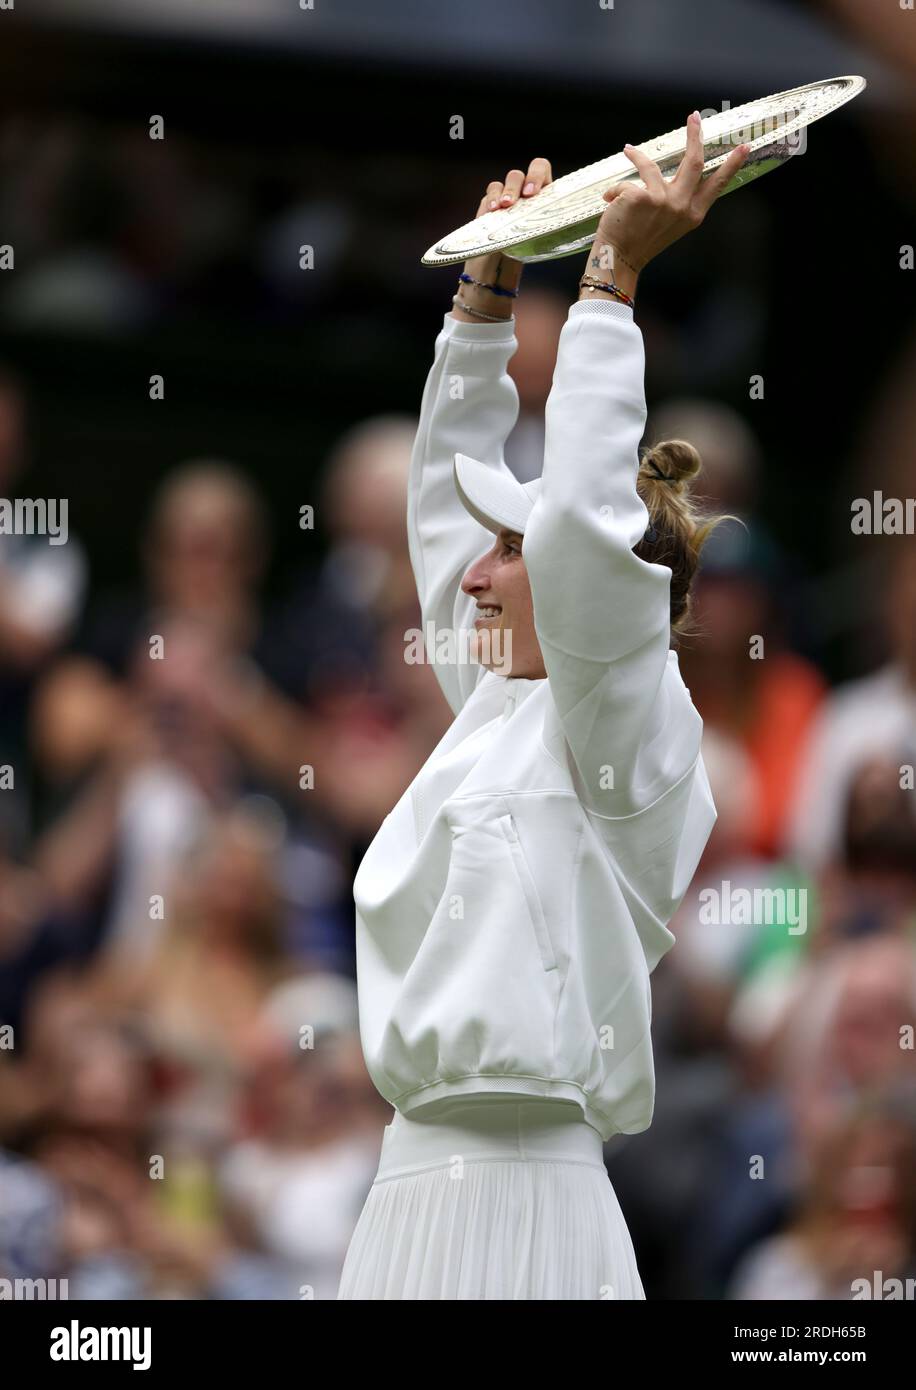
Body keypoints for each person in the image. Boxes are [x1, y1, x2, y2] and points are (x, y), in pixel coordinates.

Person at [338, 117, 751, 1300]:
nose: (474, 573)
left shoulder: (631, 732)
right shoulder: (493, 712)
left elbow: (575, 528)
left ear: (589, 589)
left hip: (536, 1203)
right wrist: (485, 294)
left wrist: (608, 287)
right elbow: (438, 520)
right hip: (405, 1196)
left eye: (504, 553)